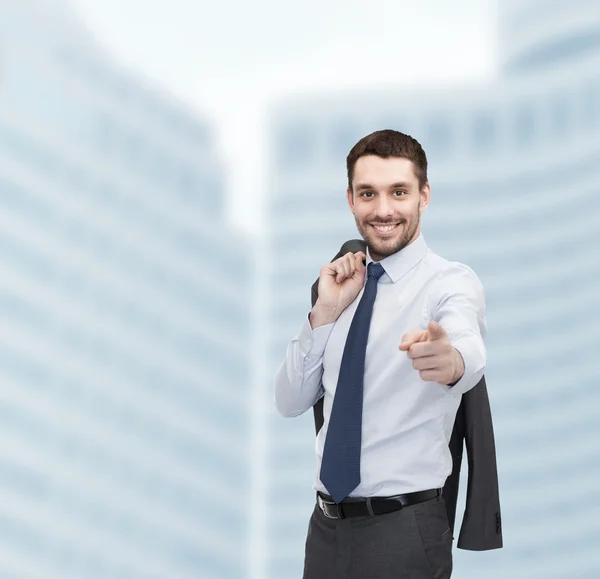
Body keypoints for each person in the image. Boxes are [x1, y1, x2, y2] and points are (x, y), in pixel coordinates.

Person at [274, 129, 487, 579]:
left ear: (423, 196)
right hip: (326, 530)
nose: (383, 209)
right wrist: (325, 311)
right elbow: (289, 400)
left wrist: (451, 361)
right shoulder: (339, 287)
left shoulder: (448, 282)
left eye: (399, 192)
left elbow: (466, 344)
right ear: (350, 199)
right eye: (368, 193)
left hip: (404, 529)